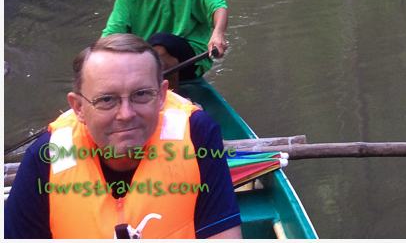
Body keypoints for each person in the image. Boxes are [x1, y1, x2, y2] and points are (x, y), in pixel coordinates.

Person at [4, 34, 242, 238]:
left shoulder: (198, 135)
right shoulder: (46, 156)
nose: (126, 114)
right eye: (106, 99)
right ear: (78, 108)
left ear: (161, 96)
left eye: (141, 94)